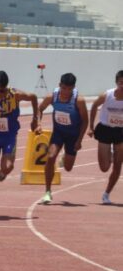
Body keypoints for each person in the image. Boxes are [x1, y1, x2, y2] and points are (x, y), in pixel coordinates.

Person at [0, 70, 38, 216]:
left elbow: (34, 97)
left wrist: (36, 118)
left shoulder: (15, 95)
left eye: (1, 90)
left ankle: (4, 171)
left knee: (8, 167)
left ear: (6, 87)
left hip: (9, 136)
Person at [33, 73, 89, 204]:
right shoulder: (52, 96)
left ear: (74, 88)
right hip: (58, 132)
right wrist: (39, 124)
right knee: (50, 157)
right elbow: (39, 109)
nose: (66, 92)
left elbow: (85, 121)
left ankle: (65, 156)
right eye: (64, 88)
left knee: (68, 168)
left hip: (73, 135)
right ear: (59, 85)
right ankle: (47, 192)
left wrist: (79, 140)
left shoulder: (78, 100)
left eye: (69, 89)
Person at [87, 70, 123, 204]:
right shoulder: (107, 95)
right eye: (121, 83)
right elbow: (94, 105)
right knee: (104, 167)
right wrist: (90, 126)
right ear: (117, 83)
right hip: (105, 129)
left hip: (120, 132)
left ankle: (106, 194)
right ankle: (111, 154)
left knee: (118, 166)